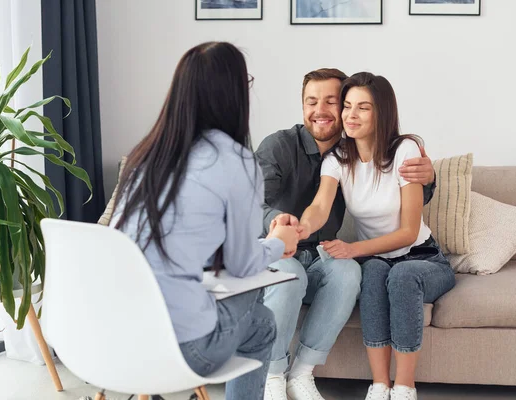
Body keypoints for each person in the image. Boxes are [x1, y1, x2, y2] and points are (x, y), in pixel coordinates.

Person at [110, 42, 300, 400]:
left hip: (112, 337)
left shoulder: (146, 156)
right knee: (262, 320)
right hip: (179, 348)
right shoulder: (235, 161)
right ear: (234, 95)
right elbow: (243, 266)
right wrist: (279, 242)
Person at [256, 69, 437, 400]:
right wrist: (293, 227)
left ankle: (303, 373)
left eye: (332, 102)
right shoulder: (291, 149)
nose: (323, 110)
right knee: (296, 274)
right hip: (282, 250)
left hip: (344, 254)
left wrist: (430, 178)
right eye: (312, 101)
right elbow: (310, 207)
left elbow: (406, 219)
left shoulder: (370, 150)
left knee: (350, 271)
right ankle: (273, 375)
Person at [297, 72, 456, 400]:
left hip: (422, 258)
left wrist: (352, 248)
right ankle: (380, 384)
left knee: (402, 275)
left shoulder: (405, 149)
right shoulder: (338, 159)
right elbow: (320, 207)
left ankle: (404, 387)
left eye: (363, 108)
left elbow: (408, 232)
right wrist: (301, 227)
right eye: (348, 106)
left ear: (382, 113)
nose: (350, 116)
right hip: (378, 260)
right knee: (371, 274)